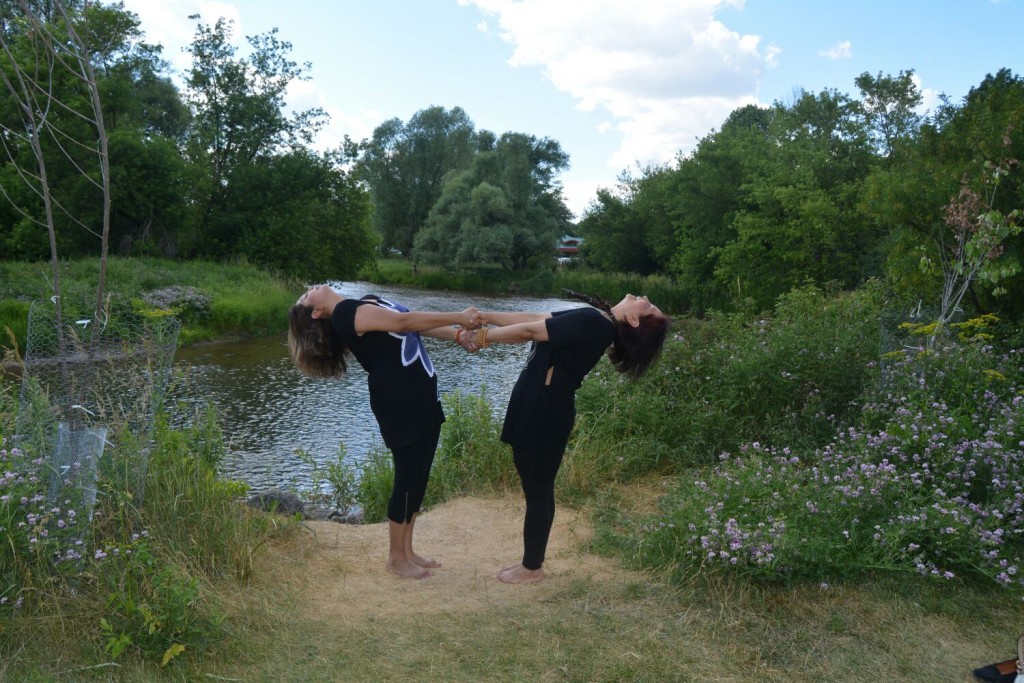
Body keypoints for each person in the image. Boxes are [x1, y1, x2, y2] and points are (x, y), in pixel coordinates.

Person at [458, 289, 670, 584]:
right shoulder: (597, 319)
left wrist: (481, 337)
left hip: (545, 411)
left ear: (634, 320)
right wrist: (486, 317)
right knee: (534, 483)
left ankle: (532, 567)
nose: (643, 297)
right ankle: (531, 562)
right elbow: (536, 318)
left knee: (538, 487)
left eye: (647, 305)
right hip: (537, 402)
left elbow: (530, 331)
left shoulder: (595, 323)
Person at [288, 284, 478, 579]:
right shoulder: (346, 314)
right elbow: (405, 322)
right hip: (399, 402)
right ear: (316, 311)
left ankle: (408, 551)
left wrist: (456, 335)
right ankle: (395, 558)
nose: (308, 289)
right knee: (407, 476)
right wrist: (459, 316)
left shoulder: (363, 303)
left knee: (419, 475)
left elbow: (411, 326)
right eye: (305, 297)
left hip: (420, 395)